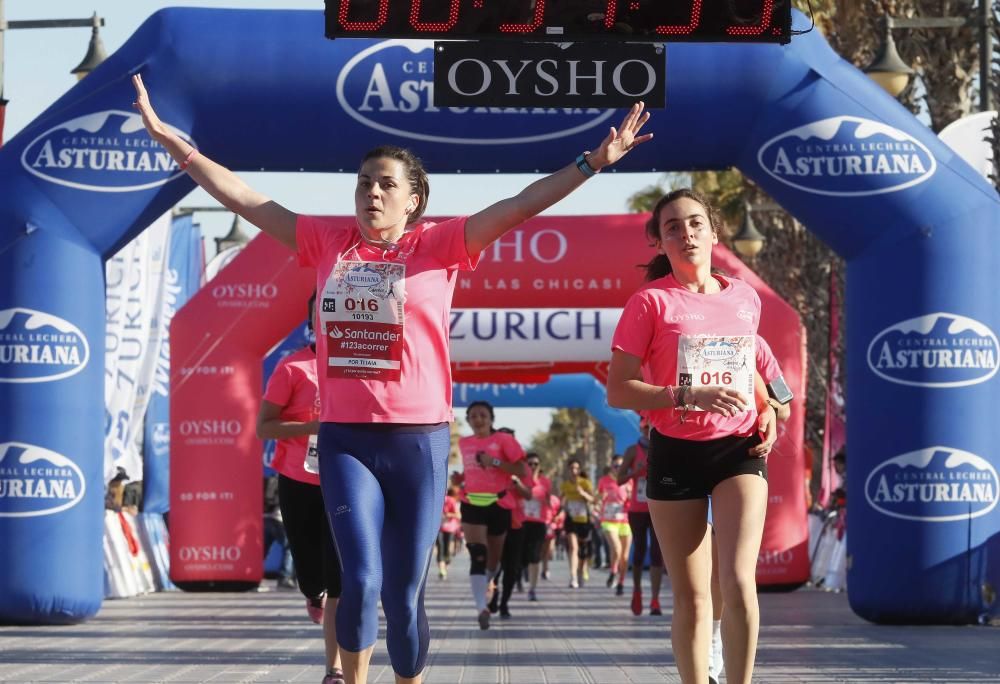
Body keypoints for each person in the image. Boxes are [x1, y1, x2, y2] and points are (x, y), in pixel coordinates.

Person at [133, 70, 650, 682]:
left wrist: (591, 163)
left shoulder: (442, 243)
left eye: (385, 185)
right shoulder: (327, 240)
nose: (371, 194)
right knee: (359, 579)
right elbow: (246, 200)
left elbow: (518, 205)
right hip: (346, 439)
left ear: (414, 200)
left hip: (419, 442)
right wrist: (175, 145)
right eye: (363, 184)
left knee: (403, 595)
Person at [606, 188, 777, 684]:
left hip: (739, 449)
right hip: (676, 452)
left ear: (714, 231)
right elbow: (619, 390)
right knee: (695, 597)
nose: (686, 234)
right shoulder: (650, 302)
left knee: (740, 580)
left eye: (695, 223)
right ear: (660, 243)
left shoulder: (745, 297)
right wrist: (687, 396)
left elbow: (760, 371)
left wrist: (773, 411)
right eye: (673, 227)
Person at [256, 295, 344, 684]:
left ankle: (335, 669)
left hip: (345, 482)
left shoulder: (360, 365)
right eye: (321, 310)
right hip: (298, 479)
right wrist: (311, 429)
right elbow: (265, 427)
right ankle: (312, 592)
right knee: (311, 574)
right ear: (312, 317)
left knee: (339, 575)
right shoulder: (292, 366)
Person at [458, 403, 526, 629]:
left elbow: (521, 470)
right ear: (467, 420)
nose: (478, 419)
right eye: (473, 416)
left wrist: (494, 462)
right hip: (471, 502)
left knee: (493, 562)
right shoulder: (464, 442)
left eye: (483, 415)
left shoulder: (505, 440)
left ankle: (487, 584)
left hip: (499, 503)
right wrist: (459, 480)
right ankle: (481, 608)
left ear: (491, 418)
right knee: (477, 553)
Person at [616, 417, 665, 616]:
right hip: (637, 508)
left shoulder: (662, 448)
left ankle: (655, 599)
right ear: (640, 428)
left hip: (659, 506)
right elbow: (619, 479)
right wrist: (634, 473)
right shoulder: (631, 451)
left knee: (656, 552)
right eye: (645, 427)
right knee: (639, 551)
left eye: (651, 427)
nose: (647, 431)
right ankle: (637, 591)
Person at [597, 457, 632, 596]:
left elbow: (634, 499)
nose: (618, 468)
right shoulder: (604, 481)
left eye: (621, 466)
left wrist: (630, 496)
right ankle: (613, 571)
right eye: (616, 466)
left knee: (624, 556)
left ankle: (621, 583)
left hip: (625, 521)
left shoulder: (629, 480)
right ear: (611, 467)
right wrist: (601, 498)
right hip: (608, 521)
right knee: (616, 548)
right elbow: (597, 498)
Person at [518, 453, 551, 602]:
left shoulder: (545, 482)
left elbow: (549, 501)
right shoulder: (520, 480)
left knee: (535, 556)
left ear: (540, 466)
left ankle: (532, 588)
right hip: (521, 522)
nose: (532, 466)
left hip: (539, 522)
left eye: (535, 464)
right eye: (530, 463)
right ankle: (520, 575)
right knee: (521, 555)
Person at [559, 458, 595, 588]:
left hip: (584, 520)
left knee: (583, 551)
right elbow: (561, 500)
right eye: (571, 468)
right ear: (568, 470)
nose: (574, 471)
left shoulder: (585, 483)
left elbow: (593, 500)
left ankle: (580, 572)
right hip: (571, 519)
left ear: (579, 470)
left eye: (576, 468)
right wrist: (561, 509)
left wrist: (583, 493)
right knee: (573, 547)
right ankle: (573, 576)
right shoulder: (565, 485)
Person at [437, 485, 461, 580]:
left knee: (443, 549)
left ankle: (444, 568)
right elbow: (459, 515)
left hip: (446, 528)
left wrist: (447, 514)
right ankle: (442, 569)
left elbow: (458, 515)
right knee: (443, 548)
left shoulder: (445, 499)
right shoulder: (452, 500)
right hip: (444, 528)